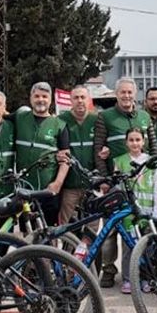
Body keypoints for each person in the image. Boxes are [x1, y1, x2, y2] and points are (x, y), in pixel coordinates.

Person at [93, 77, 156, 287]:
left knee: (140, 227)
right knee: (111, 229)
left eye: (130, 92)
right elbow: (98, 149)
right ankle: (109, 269)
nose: (126, 96)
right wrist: (105, 179)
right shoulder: (105, 116)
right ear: (116, 94)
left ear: (135, 94)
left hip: (141, 184)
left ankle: (143, 272)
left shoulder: (145, 116)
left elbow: (153, 147)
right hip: (115, 182)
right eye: (123, 92)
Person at [113, 126, 157, 294]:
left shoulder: (151, 162)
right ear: (126, 142)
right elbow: (117, 189)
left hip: (147, 212)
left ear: (143, 141)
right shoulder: (120, 161)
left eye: (138, 140)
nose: (135, 143)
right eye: (131, 140)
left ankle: (146, 277)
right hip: (128, 213)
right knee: (129, 247)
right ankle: (128, 279)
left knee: (147, 246)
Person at [14, 82, 71, 226]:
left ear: (50, 100)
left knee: (48, 232)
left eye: (45, 96)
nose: (41, 100)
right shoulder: (19, 118)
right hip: (24, 189)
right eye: (37, 96)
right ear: (31, 98)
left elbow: (66, 159)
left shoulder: (60, 125)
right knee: (27, 231)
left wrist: (57, 184)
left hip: (47, 190)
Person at [57, 85, 97, 224]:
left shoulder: (97, 120)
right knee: (65, 224)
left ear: (89, 99)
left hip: (91, 184)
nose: (80, 101)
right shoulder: (61, 120)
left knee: (93, 223)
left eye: (83, 97)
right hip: (70, 185)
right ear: (71, 100)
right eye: (76, 97)